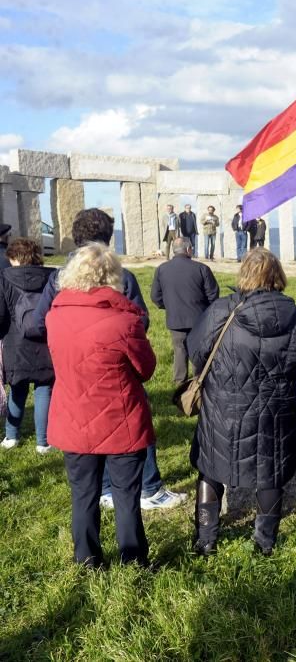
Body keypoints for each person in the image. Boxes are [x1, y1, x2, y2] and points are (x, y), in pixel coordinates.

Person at [32, 208, 186, 511]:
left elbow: (39, 322)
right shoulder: (121, 275)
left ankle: (104, 490)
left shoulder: (58, 278)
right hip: (117, 366)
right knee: (132, 423)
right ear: (106, 236)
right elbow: (140, 321)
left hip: (74, 368)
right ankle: (149, 487)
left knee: (87, 429)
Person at [187, 248, 296, 556]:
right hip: (277, 410)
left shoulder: (221, 310)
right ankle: (264, 544)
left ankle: (206, 541)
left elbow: (196, 350)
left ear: (244, 274)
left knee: (210, 468)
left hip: (223, 407)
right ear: (278, 275)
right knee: (270, 471)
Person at [46, 243, 156, 567]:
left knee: (82, 495)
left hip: (73, 415)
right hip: (119, 418)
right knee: (126, 496)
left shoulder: (55, 317)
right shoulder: (125, 322)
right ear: (112, 276)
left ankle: (86, 559)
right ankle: (133, 560)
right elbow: (146, 369)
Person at [0, 238, 57, 453]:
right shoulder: (52, 277)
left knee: (17, 389)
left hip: (15, 343)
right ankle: (43, 442)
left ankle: (11, 436)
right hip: (45, 340)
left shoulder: (4, 278)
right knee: (44, 390)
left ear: (13, 257)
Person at [150, 237, 220, 384]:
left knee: (179, 350)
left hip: (175, 318)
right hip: (199, 319)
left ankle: (179, 382)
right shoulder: (201, 268)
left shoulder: (162, 269)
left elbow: (155, 297)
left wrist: (169, 306)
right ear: (188, 249)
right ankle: (199, 382)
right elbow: (213, 294)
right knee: (198, 351)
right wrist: (207, 311)